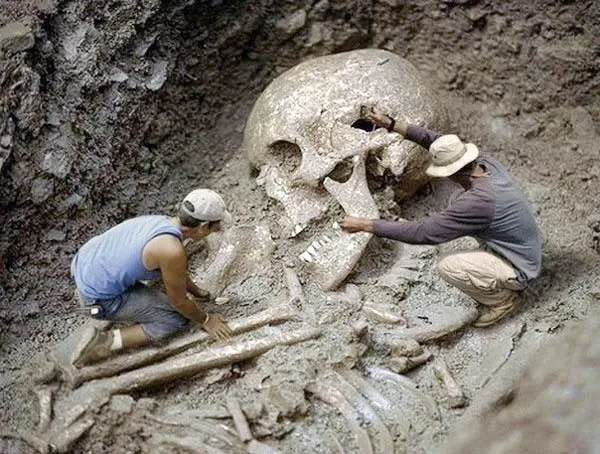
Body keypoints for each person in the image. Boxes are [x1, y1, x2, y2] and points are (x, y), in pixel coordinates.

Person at [340, 108, 542, 327]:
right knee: (457, 197)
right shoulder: (483, 162)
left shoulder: (476, 202)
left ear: (452, 173)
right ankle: (496, 263)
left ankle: (503, 300)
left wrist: (366, 224)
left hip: (521, 264)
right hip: (523, 242)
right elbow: (436, 141)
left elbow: (423, 233)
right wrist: (390, 124)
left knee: (449, 266)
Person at [70, 188, 234, 367]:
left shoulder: (162, 223)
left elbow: (175, 270)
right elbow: (178, 302)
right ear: (203, 227)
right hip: (96, 301)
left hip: (83, 266)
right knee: (175, 319)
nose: (214, 231)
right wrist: (206, 320)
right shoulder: (171, 250)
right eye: (214, 227)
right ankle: (104, 342)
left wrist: (195, 291)